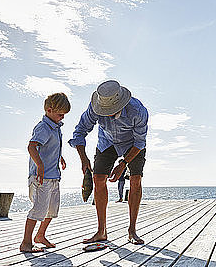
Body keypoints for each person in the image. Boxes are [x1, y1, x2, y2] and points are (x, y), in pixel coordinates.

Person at [69, 80, 148, 245]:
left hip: (132, 144)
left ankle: (132, 230)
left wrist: (123, 163)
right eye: (104, 111)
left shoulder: (138, 111)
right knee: (98, 179)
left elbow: (140, 143)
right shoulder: (94, 108)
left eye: (111, 111)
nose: (108, 114)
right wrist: (84, 159)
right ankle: (101, 231)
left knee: (135, 180)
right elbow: (79, 132)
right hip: (107, 142)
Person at [20, 93, 70, 253]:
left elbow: (49, 147)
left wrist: (59, 157)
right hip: (42, 177)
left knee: (52, 209)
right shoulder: (43, 127)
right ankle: (26, 243)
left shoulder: (55, 127)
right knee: (39, 209)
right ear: (49, 110)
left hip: (53, 175)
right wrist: (40, 165)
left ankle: (40, 235)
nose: (62, 117)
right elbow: (32, 146)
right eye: (60, 114)